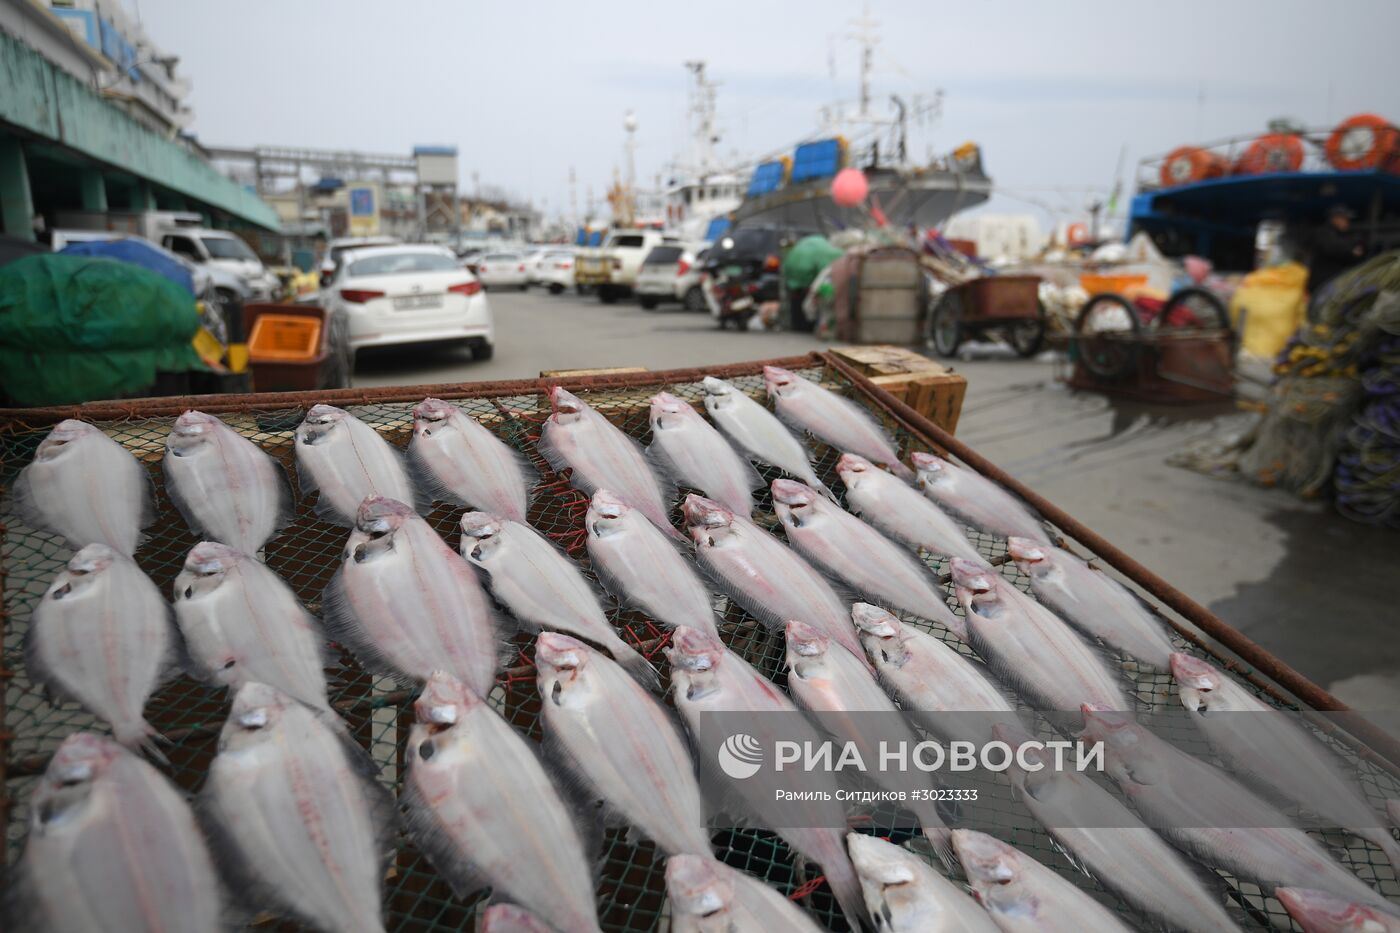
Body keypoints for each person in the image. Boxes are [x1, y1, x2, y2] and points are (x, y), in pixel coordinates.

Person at [1307, 205, 1365, 291]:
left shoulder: (1346, 235)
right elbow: (1332, 248)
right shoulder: (1324, 232)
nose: (1347, 222)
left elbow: (1359, 251)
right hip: (1323, 283)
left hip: (1338, 282)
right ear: (1334, 219)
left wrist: (1353, 251)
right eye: (1344, 219)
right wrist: (1351, 252)